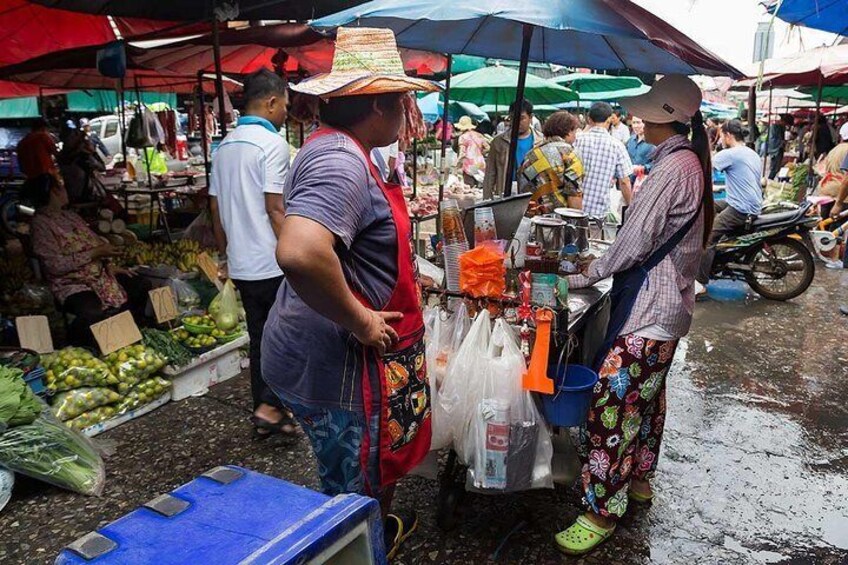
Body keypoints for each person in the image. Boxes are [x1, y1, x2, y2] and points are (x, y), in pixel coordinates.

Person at [261, 27, 439, 559]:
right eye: (404, 100)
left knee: (367, 480)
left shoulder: (351, 151)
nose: (409, 112)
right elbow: (298, 251)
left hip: (343, 356)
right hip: (338, 367)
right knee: (350, 495)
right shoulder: (340, 160)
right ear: (380, 105)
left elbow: (347, 247)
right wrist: (361, 318)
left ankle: (376, 531)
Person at [556, 74, 713, 556]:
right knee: (645, 403)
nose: (639, 120)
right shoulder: (685, 162)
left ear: (664, 116)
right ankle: (638, 484)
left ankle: (600, 510)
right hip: (667, 308)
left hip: (650, 310)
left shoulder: (672, 170)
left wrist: (581, 276)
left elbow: (633, 243)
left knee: (611, 406)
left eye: (646, 112)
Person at [209, 69, 294, 439]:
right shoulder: (272, 144)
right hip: (270, 261)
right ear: (271, 102)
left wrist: (225, 255)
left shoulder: (224, 146)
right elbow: (275, 208)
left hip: (243, 263)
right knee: (284, 335)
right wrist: (294, 253)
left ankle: (267, 405)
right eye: (286, 106)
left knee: (261, 335)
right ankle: (270, 405)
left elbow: (214, 210)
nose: (286, 114)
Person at [28, 176, 148, 347]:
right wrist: (94, 253)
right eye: (62, 187)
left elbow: (94, 242)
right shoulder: (40, 225)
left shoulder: (70, 216)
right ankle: (84, 346)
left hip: (100, 275)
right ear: (54, 192)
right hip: (71, 283)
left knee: (141, 285)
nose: (66, 191)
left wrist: (109, 266)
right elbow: (54, 265)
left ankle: (130, 336)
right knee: (92, 311)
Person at [695, 120, 763, 290]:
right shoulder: (751, 152)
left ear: (728, 135)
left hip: (740, 208)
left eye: (721, 136)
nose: (720, 141)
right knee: (706, 207)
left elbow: (703, 167)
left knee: (707, 238)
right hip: (747, 203)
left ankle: (700, 284)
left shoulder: (730, 154)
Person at [574, 102, 634, 225]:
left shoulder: (576, 140)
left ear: (589, 119)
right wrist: (632, 207)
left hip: (574, 210)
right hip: (598, 213)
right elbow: (624, 181)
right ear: (610, 119)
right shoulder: (617, 145)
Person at [518, 110, 584, 211]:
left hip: (530, 216)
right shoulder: (571, 154)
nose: (575, 136)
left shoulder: (531, 154)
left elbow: (523, 186)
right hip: (559, 220)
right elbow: (574, 195)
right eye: (575, 131)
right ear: (569, 132)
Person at [482, 100, 543, 200]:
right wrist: (487, 200)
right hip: (506, 195)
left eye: (522, 118)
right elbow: (490, 175)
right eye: (513, 118)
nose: (517, 122)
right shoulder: (498, 142)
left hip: (533, 196)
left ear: (530, 117)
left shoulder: (540, 141)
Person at [16, 118, 57, 194]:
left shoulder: (23, 141)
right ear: (43, 127)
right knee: (47, 198)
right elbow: (54, 151)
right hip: (43, 172)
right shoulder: (43, 137)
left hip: (29, 175)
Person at [455, 116, 490, 187]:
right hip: (480, 164)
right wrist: (480, 153)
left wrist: (457, 166)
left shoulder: (463, 137)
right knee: (480, 187)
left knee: (469, 187)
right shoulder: (479, 135)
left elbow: (462, 153)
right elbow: (488, 148)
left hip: (469, 165)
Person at [819, 127, 848, 209]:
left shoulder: (834, 149)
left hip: (827, 189)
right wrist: (838, 203)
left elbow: (823, 169)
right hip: (843, 195)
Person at [767, 114, 792, 180]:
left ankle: (772, 178)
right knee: (774, 167)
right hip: (775, 149)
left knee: (777, 166)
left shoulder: (782, 128)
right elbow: (771, 139)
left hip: (779, 149)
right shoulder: (774, 127)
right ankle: (770, 178)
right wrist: (781, 142)